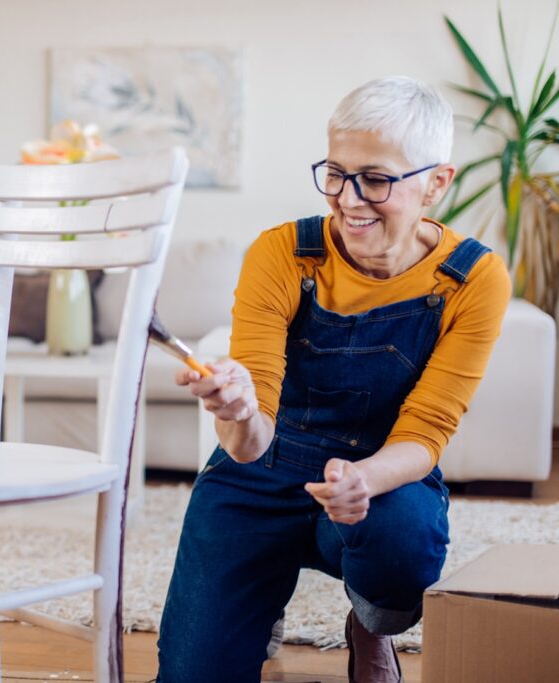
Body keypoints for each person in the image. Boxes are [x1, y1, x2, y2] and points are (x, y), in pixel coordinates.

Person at [156, 76, 511, 683]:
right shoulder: (282, 254)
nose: (348, 199)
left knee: (404, 542)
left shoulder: (471, 279)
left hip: (379, 481)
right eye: (336, 174)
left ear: (435, 184)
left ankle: (369, 623)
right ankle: (254, 598)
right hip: (260, 473)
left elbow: (428, 430)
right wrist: (238, 411)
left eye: (375, 179)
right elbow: (250, 442)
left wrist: (362, 482)